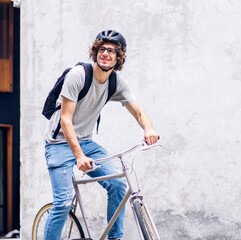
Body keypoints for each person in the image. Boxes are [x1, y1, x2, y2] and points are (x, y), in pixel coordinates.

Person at [43, 30, 159, 240]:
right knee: (63, 203)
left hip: (87, 142)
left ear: (119, 57)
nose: (105, 53)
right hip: (59, 143)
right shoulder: (78, 75)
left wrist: (148, 128)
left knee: (117, 184)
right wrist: (78, 156)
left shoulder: (116, 83)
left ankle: (114, 238)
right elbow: (65, 120)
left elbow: (139, 112)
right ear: (95, 52)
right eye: (102, 49)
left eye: (112, 51)